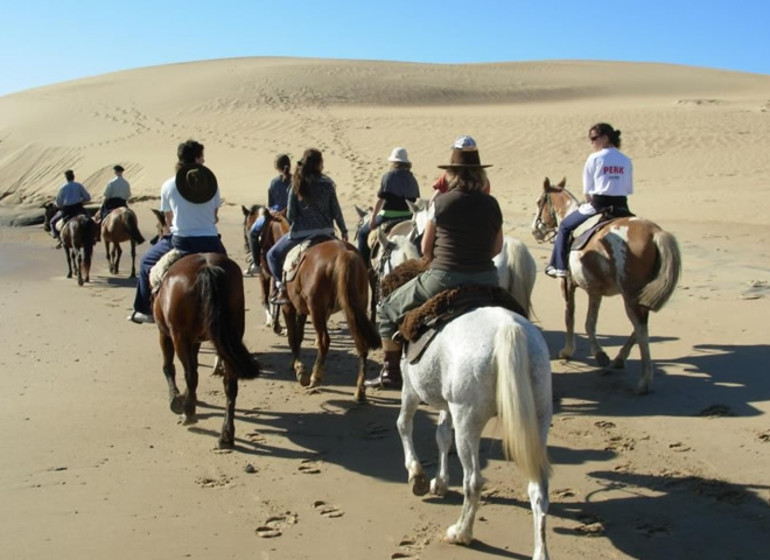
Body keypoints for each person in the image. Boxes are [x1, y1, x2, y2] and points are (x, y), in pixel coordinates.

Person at [368, 135, 503, 389]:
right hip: (487, 278)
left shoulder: (440, 202)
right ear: (480, 174)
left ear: (451, 173)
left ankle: (390, 372)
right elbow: (496, 248)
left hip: (444, 276)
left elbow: (426, 248)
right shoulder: (492, 203)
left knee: (386, 308)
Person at [127, 139, 226, 324]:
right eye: (202, 157)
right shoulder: (211, 184)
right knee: (229, 274)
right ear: (196, 159)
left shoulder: (168, 185)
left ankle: (144, 311)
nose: (204, 161)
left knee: (146, 262)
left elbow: (168, 220)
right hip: (211, 241)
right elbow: (214, 216)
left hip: (182, 242)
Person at [544, 122, 634, 278]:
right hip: (622, 206)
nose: (591, 142)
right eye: (590, 138)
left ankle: (559, 266)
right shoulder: (626, 160)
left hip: (599, 205)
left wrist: (590, 202)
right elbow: (628, 189)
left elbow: (588, 191)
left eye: (594, 138)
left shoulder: (594, 158)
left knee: (565, 226)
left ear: (605, 138)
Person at [266, 148, 348, 305]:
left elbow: (290, 216)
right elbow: (336, 211)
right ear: (317, 165)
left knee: (272, 255)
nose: (323, 166)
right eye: (322, 162)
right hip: (327, 233)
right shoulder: (328, 184)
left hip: (301, 234)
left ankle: (281, 288)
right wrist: (343, 230)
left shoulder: (296, 185)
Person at [356, 147, 420, 267]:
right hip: (408, 216)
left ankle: (362, 267)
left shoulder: (388, 176)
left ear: (394, 162)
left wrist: (373, 219)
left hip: (388, 215)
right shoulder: (412, 179)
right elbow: (415, 201)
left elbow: (380, 199)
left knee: (362, 234)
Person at [246, 154, 292, 274]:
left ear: (276, 167)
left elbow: (271, 203)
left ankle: (256, 263)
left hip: (275, 214)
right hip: (292, 213)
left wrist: (275, 211)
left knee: (253, 233)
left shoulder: (274, 182)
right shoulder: (296, 181)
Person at [50, 169, 92, 244]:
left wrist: (58, 205)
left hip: (67, 210)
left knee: (53, 223)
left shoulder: (62, 187)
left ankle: (60, 240)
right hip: (79, 209)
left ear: (66, 178)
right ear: (73, 177)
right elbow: (87, 198)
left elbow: (59, 202)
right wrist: (81, 200)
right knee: (91, 221)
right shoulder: (79, 185)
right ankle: (94, 237)